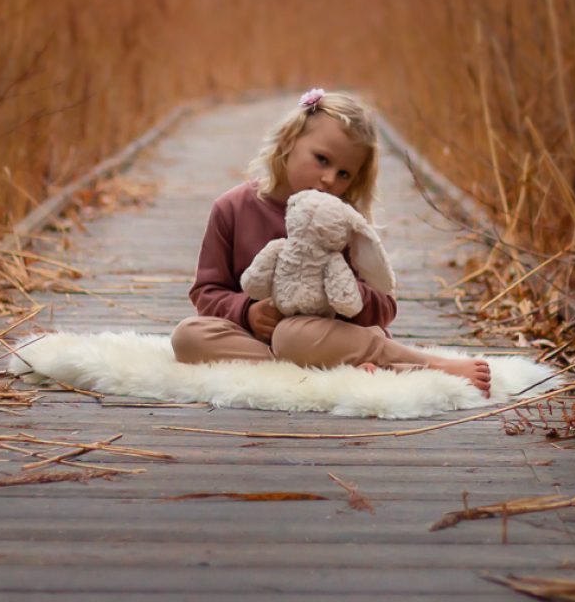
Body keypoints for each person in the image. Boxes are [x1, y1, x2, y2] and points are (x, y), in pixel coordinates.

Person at [171, 89, 491, 397]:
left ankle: (429, 364)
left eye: (344, 174)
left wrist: (340, 293)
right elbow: (206, 293)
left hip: (322, 336)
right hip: (255, 339)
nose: (329, 180)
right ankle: (339, 371)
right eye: (322, 159)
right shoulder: (232, 208)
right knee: (188, 336)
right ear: (288, 141)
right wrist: (247, 311)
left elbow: (385, 306)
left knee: (292, 335)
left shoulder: (342, 222)